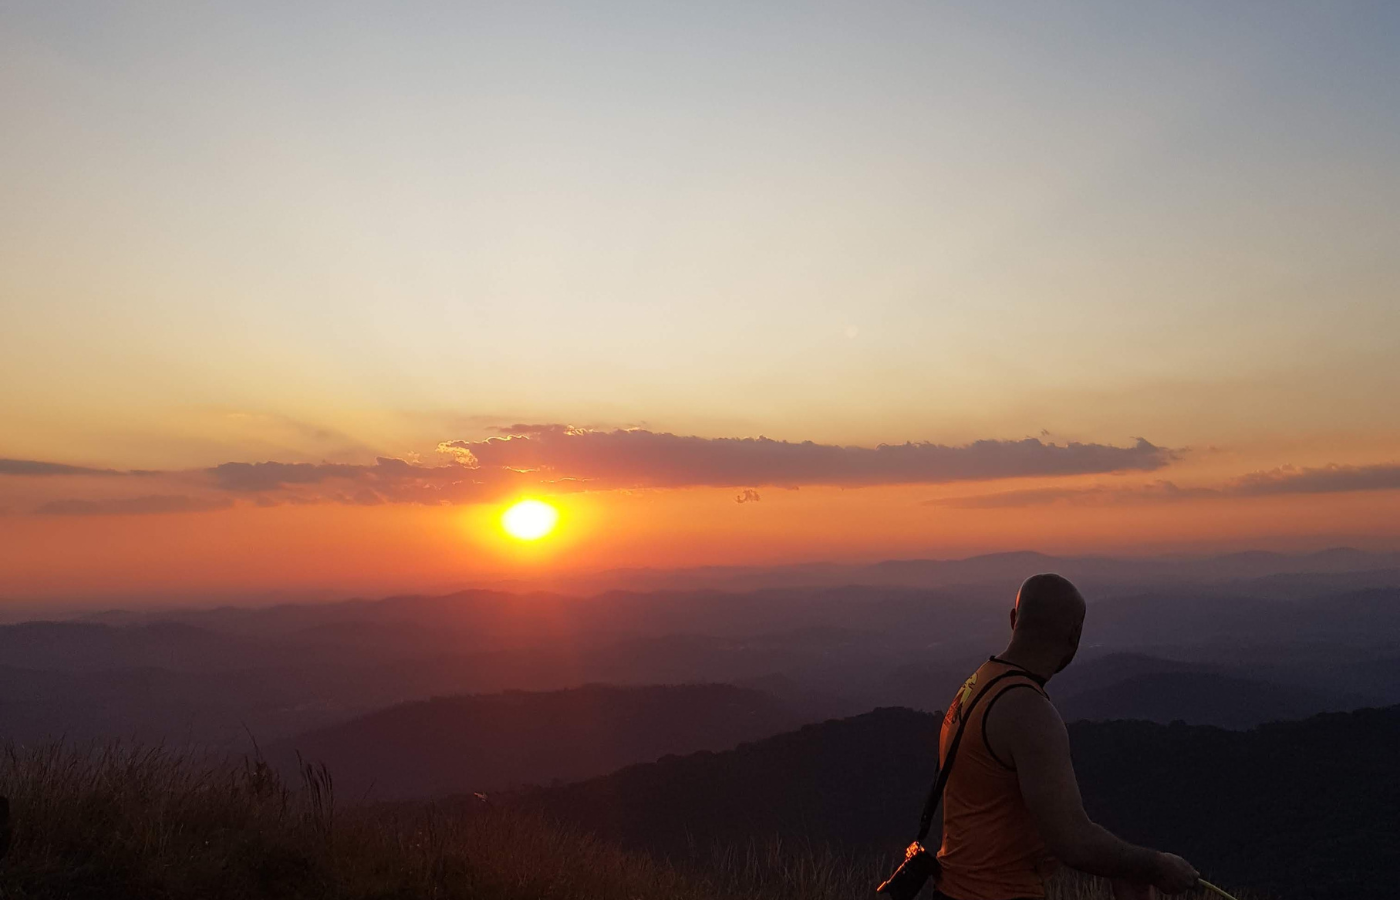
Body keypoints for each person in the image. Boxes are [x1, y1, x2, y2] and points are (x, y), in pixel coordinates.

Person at [933, 574, 1199, 900]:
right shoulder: (1029, 712)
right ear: (1075, 636)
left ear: (1013, 620)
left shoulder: (979, 683)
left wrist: (1122, 867)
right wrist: (1155, 866)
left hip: (951, 888)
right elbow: (1071, 841)